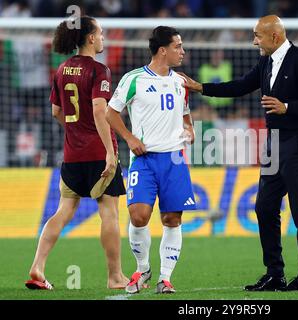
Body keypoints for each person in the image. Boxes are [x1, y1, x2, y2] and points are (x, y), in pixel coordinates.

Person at [182, 15, 298, 291]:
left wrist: (287, 107)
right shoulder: (267, 61)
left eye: (258, 36)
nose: (253, 41)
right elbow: (241, 85)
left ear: (274, 36)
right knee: (265, 207)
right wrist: (201, 88)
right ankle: (275, 273)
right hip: (273, 143)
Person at [25, 16, 129, 290]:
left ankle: (38, 266)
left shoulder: (61, 69)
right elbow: (98, 109)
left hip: (72, 155)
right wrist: (109, 151)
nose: (104, 37)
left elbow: (57, 112)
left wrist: (76, 131)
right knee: (109, 213)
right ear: (91, 38)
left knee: (62, 211)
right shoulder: (99, 70)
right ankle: (115, 277)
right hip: (98, 153)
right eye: (102, 33)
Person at [106, 26, 196, 294]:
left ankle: (165, 278)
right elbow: (111, 113)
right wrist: (130, 138)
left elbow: (185, 114)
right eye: (178, 46)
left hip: (174, 160)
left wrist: (190, 129)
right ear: (162, 50)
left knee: (172, 219)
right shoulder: (134, 79)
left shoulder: (181, 82)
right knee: (139, 215)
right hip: (144, 160)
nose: (182, 51)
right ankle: (143, 267)